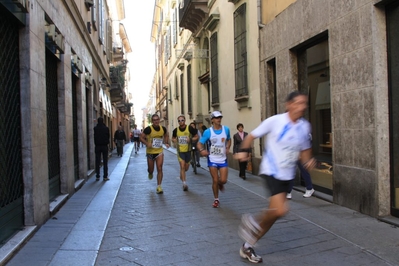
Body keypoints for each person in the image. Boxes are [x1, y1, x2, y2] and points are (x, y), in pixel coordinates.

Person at [235, 91, 316, 263]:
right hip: (271, 171)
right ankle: (251, 221)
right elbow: (251, 136)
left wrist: (308, 161)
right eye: (299, 103)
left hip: (288, 175)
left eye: (305, 103)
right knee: (280, 210)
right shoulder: (276, 121)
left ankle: (247, 246)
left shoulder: (304, 126)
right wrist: (243, 152)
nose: (303, 107)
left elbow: (305, 150)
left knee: (274, 215)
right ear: (289, 104)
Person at [197, 111, 231, 208]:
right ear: (212, 120)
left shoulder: (226, 129)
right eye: (216, 118)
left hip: (223, 159)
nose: (218, 119)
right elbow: (199, 143)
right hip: (212, 159)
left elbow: (229, 139)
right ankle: (216, 199)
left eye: (220, 117)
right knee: (215, 180)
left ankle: (221, 184)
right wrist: (202, 150)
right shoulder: (208, 132)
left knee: (223, 180)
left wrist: (228, 147)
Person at [140, 114, 170, 194]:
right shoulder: (148, 129)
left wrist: (166, 142)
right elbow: (141, 137)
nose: (156, 121)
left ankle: (159, 186)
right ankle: (150, 172)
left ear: (159, 120)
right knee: (151, 169)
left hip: (159, 151)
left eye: (157, 119)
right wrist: (147, 143)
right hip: (150, 152)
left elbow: (166, 135)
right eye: (154, 120)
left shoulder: (163, 129)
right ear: (152, 121)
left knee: (159, 168)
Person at [172, 116, 198, 191]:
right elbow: (173, 138)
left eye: (182, 120)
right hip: (180, 151)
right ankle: (184, 184)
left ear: (185, 120)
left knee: (186, 168)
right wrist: (174, 140)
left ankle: (182, 174)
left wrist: (190, 139)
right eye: (179, 120)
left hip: (188, 151)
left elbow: (196, 136)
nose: (180, 121)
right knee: (182, 166)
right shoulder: (175, 130)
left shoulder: (189, 128)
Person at [94, 117, 110, 181]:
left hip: (97, 146)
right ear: (103, 121)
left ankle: (97, 176)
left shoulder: (95, 128)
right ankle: (105, 176)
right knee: (105, 161)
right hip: (104, 146)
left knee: (97, 161)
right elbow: (108, 136)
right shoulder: (106, 128)